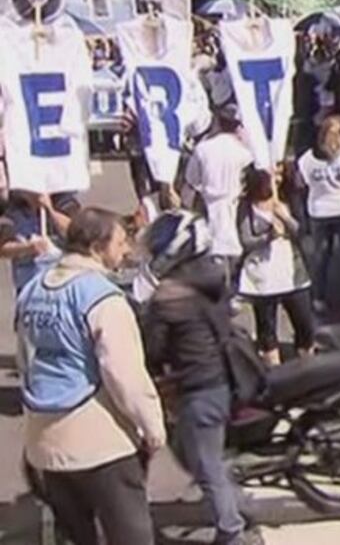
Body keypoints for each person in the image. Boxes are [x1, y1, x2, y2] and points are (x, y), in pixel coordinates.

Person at [16, 208, 166, 545]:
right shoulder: (103, 298)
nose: (125, 250)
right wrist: (152, 427)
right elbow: (124, 375)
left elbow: (27, 362)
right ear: (98, 247)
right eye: (120, 242)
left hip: (46, 442)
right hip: (102, 445)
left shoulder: (32, 291)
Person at [142, 212, 264, 545]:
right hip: (222, 381)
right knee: (202, 457)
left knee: (208, 468)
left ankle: (231, 530)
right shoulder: (211, 279)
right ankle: (231, 506)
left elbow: (153, 349)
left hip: (198, 390)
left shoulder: (169, 297)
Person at [237, 169, 317, 366]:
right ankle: (273, 368)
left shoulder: (288, 200)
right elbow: (246, 240)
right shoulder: (245, 208)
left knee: (304, 321)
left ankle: (307, 362)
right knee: (267, 326)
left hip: (291, 272)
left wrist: (285, 218)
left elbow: (302, 232)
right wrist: (268, 236)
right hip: (263, 276)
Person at [184, 104, 254, 278]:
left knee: (211, 247)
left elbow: (191, 179)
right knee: (235, 245)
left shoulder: (203, 149)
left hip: (209, 203)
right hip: (234, 203)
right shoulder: (245, 152)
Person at [295, 115, 340, 313]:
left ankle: (318, 298)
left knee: (321, 255)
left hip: (319, 210)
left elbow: (299, 183)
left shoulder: (306, 159)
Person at [0, 191, 70, 293]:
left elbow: (74, 232)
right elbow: (3, 248)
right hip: (28, 282)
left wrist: (50, 209)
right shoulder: (10, 209)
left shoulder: (64, 201)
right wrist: (28, 248)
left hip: (61, 280)